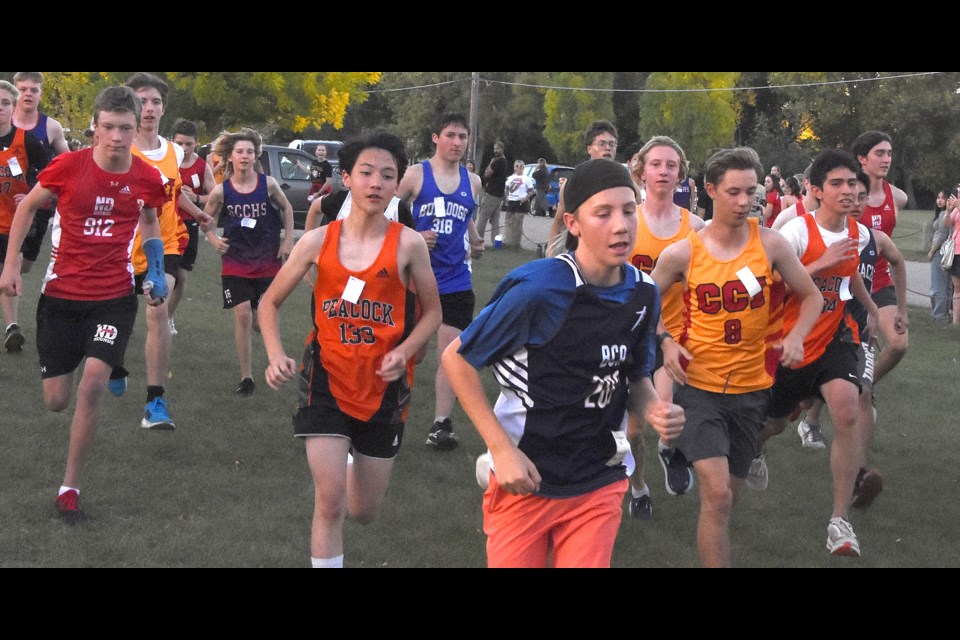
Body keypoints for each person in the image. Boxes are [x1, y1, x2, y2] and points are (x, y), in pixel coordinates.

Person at [442, 158, 685, 568]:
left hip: (599, 477)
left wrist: (654, 409)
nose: (621, 225)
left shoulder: (644, 294)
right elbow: (457, 359)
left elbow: (635, 378)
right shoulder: (541, 288)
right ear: (572, 223)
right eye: (602, 214)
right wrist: (502, 450)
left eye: (629, 210)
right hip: (527, 478)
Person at [259, 131, 442, 568]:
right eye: (366, 173)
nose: (376, 183)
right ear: (347, 178)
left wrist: (407, 350)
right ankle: (334, 467)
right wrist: (275, 354)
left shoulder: (410, 245)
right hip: (325, 378)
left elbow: (433, 312)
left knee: (362, 512)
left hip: (384, 389)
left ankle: (344, 465)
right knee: (331, 504)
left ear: (397, 185)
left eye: (387, 175)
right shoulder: (318, 241)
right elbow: (269, 301)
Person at [0, 85, 169, 523]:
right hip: (60, 297)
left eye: (125, 129)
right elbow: (26, 209)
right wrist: (12, 266)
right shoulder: (66, 167)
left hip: (113, 297)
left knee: (92, 383)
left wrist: (153, 269)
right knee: (57, 400)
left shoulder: (147, 178)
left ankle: (69, 486)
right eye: (108, 128)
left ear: (138, 129)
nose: (116, 137)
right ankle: (95, 360)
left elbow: (150, 222)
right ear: (95, 127)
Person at [651, 146, 821, 567]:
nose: (745, 202)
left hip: (752, 389)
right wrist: (667, 342)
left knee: (726, 501)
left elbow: (811, 295)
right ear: (710, 190)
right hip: (699, 387)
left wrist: (797, 335)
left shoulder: (771, 244)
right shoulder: (683, 253)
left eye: (752, 192)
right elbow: (643, 303)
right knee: (718, 491)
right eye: (734, 192)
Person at [750, 149, 880, 558]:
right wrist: (822, 263)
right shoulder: (796, 233)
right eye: (838, 184)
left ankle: (839, 522)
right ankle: (755, 447)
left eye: (852, 184)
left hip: (837, 334)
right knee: (773, 424)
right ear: (818, 191)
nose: (848, 190)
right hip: (791, 342)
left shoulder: (858, 232)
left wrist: (873, 310)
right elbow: (772, 292)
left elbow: (853, 271)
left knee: (847, 407)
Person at [794, 169, 907, 511]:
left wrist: (894, 307)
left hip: (852, 333)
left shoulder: (873, 239)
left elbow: (897, 262)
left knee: (861, 394)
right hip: (812, 328)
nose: (855, 203)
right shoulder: (803, 227)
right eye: (848, 195)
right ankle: (785, 430)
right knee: (783, 411)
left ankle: (858, 477)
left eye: (860, 196)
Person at [120, 72, 212, 430]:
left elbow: (174, 193)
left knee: (157, 312)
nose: (148, 108)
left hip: (166, 245)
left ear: (164, 108)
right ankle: (114, 363)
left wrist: (198, 212)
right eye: (141, 101)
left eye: (155, 101)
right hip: (121, 249)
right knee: (117, 319)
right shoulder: (117, 147)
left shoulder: (174, 151)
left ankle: (155, 402)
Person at [625, 135, 706, 519]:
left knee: (667, 417)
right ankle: (638, 488)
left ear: (681, 174)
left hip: (670, 334)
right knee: (633, 432)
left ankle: (670, 450)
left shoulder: (696, 227)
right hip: (625, 332)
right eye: (656, 164)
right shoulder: (626, 218)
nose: (663, 171)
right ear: (642, 170)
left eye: (671, 165)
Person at [396, 113, 484, 450]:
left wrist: (476, 242)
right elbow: (388, 214)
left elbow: (467, 218)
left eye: (463, 137)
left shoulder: (472, 181)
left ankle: (440, 425)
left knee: (451, 352)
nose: (457, 143)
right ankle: (388, 409)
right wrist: (413, 235)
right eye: (451, 135)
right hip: (416, 278)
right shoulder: (416, 176)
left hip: (456, 280)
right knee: (413, 355)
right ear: (435, 137)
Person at [203, 128, 294, 396]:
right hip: (236, 260)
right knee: (242, 314)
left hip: (266, 260)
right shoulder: (221, 191)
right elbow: (205, 219)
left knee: (259, 320)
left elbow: (288, 209)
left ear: (256, 156)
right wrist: (212, 239)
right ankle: (247, 377)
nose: (245, 156)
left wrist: (288, 240)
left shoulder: (268, 184)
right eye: (240, 151)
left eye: (250, 152)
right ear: (230, 157)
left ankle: (273, 354)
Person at [852, 131, 909, 384]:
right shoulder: (848, 195)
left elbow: (895, 258)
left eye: (889, 153)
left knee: (898, 344)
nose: (886, 159)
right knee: (843, 351)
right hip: (849, 283)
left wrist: (903, 308)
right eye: (879, 153)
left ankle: (865, 386)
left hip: (881, 282)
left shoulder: (898, 197)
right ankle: (811, 419)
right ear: (862, 159)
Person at [0, 80, 48, 354]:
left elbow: (50, 173)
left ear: (13, 107)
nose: (0, 108)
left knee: (13, 269)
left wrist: (30, 193)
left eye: (6, 103)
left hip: (13, 222)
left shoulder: (26, 140)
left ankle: (11, 327)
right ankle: (12, 327)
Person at [11, 72, 69, 276]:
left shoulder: (51, 127)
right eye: (22, 89)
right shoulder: (3, 123)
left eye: (33, 90)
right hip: (5, 198)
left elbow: (69, 165)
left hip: (37, 202)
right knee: (10, 262)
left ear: (40, 94)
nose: (28, 94)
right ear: (13, 91)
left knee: (25, 264)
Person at [168, 118, 216, 337]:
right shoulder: (167, 160)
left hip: (190, 224)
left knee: (182, 276)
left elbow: (215, 197)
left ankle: (168, 316)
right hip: (165, 224)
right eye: (180, 143)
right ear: (172, 141)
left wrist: (197, 198)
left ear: (196, 143)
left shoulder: (201, 166)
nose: (184, 148)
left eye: (189, 144)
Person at [546, 120, 619, 256]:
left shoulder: (626, 186)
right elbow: (559, 222)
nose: (607, 148)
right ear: (589, 148)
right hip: (580, 257)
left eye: (612, 144)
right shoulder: (573, 183)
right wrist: (550, 258)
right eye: (602, 144)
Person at [928, 190, 955, 322]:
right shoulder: (949, 214)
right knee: (947, 285)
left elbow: (942, 235)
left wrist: (932, 251)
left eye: (943, 198)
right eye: (938, 197)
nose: (939, 200)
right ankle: (945, 314)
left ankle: (939, 315)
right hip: (950, 253)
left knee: (938, 285)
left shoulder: (946, 214)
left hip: (941, 253)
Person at [475, 140, 507, 244]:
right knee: (495, 220)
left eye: (497, 148)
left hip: (492, 194)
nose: (495, 150)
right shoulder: (505, 161)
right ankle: (496, 242)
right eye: (494, 148)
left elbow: (487, 173)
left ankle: (478, 241)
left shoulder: (498, 162)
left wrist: (491, 162)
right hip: (499, 195)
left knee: (482, 217)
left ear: (502, 149)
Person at [503, 159, 536, 246]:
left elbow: (532, 191)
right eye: (517, 166)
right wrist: (506, 197)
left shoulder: (526, 179)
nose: (519, 168)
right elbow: (506, 188)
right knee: (508, 221)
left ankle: (516, 243)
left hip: (521, 203)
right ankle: (506, 241)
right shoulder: (510, 178)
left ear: (523, 168)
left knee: (517, 222)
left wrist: (525, 198)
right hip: (511, 201)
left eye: (521, 166)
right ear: (514, 168)